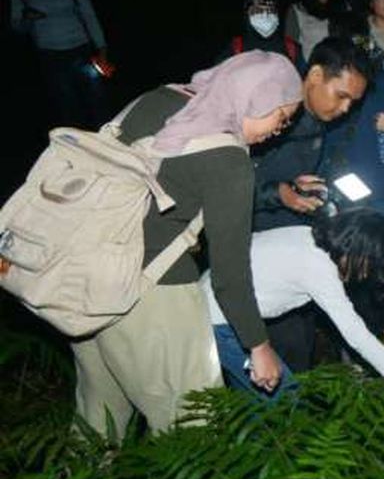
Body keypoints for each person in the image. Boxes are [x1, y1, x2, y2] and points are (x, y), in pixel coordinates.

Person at [68, 51, 303, 436]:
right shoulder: (229, 162)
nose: (275, 134)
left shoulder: (161, 98)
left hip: (84, 275)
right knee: (193, 427)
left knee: (98, 420)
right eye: (280, 119)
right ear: (258, 98)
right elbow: (230, 276)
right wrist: (259, 347)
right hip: (150, 294)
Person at [203, 207, 384, 399]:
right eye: (369, 263)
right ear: (357, 249)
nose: (364, 274)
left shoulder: (307, 237)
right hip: (221, 319)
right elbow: (358, 336)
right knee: (285, 400)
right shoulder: (318, 267)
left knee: (256, 403)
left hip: (215, 303)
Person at [251, 38, 372, 372]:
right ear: (315, 75)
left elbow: (292, 175)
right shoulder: (268, 113)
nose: (346, 108)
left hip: (293, 242)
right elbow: (227, 187)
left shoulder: (317, 120)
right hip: (255, 250)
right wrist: (280, 193)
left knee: (300, 339)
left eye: (354, 102)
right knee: (281, 346)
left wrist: (305, 186)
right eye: (342, 95)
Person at [319, 47, 384, 334]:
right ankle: (360, 328)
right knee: (355, 263)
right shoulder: (333, 86)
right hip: (349, 191)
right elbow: (324, 141)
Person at [9, 0, 111, 129]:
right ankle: (75, 147)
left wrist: (102, 49)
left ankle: (105, 139)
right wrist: (27, 18)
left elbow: (89, 15)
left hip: (82, 51)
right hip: (50, 56)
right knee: (66, 104)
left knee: (97, 97)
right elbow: (17, 27)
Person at [218, 0, 304, 71]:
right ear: (247, 13)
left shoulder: (293, 49)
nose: (265, 14)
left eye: (270, 10)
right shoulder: (235, 50)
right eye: (259, 10)